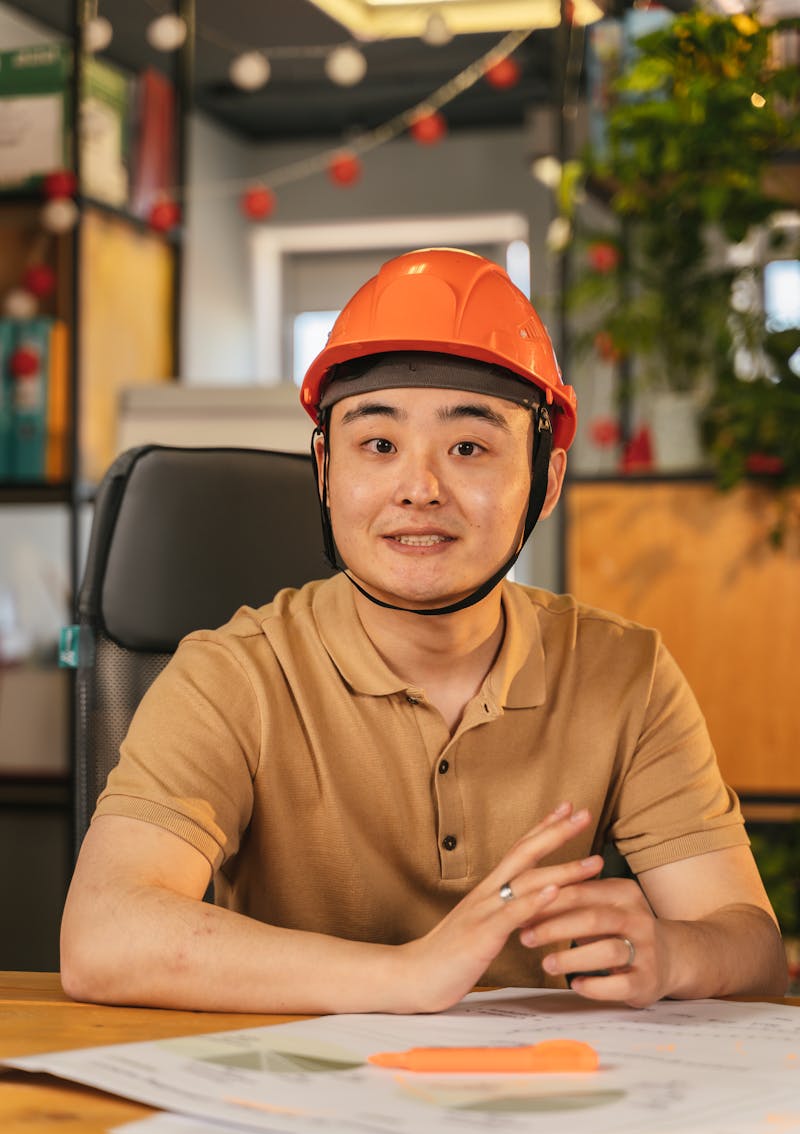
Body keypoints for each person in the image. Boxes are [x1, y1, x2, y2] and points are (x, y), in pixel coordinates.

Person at [60, 247, 788, 1014]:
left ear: (546, 480)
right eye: (378, 445)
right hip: (295, 1107)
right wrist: (407, 975)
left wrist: (675, 953)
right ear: (324, 472)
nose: (419, 489)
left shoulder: (623, 670)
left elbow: (752, 947)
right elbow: (102, 933)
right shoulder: (230, 674)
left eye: (469, 447)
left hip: (544, 1108)